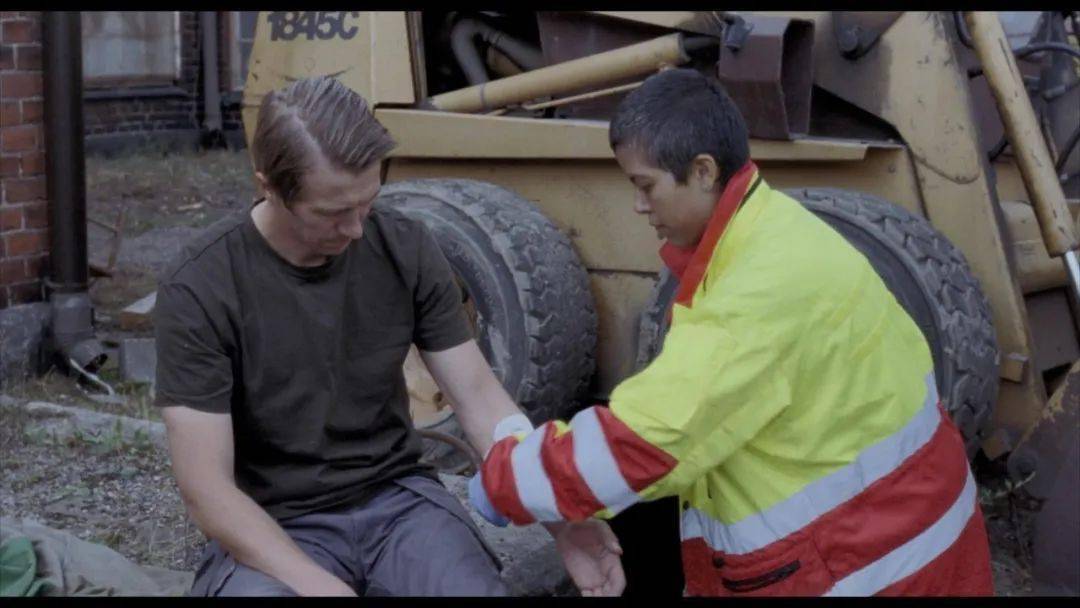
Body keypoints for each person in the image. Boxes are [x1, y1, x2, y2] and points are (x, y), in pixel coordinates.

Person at [469, 68, 995, 597]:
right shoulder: (780, 229)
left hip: (866, 569)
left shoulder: (755, 293)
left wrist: (505, 482)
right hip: (912, 536)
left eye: (646, 185)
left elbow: (644, 440)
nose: (639, 205)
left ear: (703, 171)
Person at [153, 75, 623, 597]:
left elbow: (480, 399)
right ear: (267, 186)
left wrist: (559, 515)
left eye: (367, 202)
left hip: (397, 502)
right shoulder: (201, 285)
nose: (356, 230)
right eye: (333, 213)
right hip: (275, 521)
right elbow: (207, 489)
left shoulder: (405, 246)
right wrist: (321, 587)